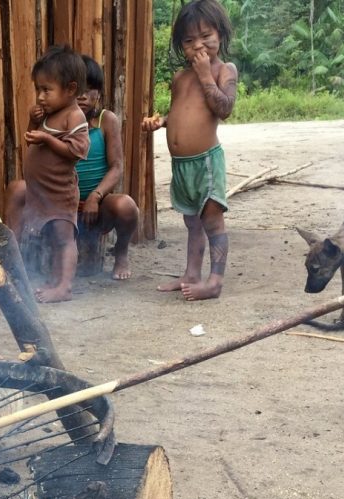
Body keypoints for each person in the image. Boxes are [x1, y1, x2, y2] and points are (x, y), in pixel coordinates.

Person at [142, 0, 237, 300]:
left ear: (220, 35)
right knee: (191, 221)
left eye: (205, 36)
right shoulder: (180, 78)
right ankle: (191, 274)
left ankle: (215, 281)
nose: (198, 46)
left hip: (206, 163)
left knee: (211, 220)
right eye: (188, 40)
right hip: (181, 166)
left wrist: (206, 75)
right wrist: (161, 122)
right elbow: (183, 113)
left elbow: (225, 109)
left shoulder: (225, 70)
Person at [5, 45, 90, 303]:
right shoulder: (49, 114)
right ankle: (52, 280)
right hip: (40, 191)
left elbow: (76, 151)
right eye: (38, 89)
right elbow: (32, 141)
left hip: (60, 192)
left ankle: (64, 286)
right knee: (52, 239)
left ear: (71, 89)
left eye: (46, 90)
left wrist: (47, 139)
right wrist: (33, 123)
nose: (40, 96)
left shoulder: (74, 116)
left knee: (64, 239)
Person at [76, 54, 139, 280]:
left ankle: (121, 253)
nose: (82, 95)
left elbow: (117, 167)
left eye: (89, 88)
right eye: (77, 88)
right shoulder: (56, 122)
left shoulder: (106, 120)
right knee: (19, 189)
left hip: (98, 206)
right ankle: (20, 261)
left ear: (99, 93)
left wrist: (95, 196)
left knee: (126, 206)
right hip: (63, 206)